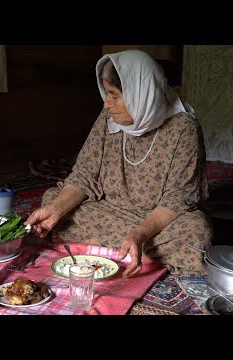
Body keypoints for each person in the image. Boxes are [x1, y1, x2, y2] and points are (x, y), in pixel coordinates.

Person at [26, 50, 212, 278]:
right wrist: (55, 211)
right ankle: (129, 251)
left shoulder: (183, 127)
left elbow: (179, 198)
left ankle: (104, 243)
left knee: (196, 232)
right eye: (106, 94)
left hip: (158, 219)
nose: (107, 104)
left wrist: (140, 233)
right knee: (53, 198)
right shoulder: (109, 119)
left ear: (140, 93)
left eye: (114, 95)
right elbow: (84, 175)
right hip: (108, 208)